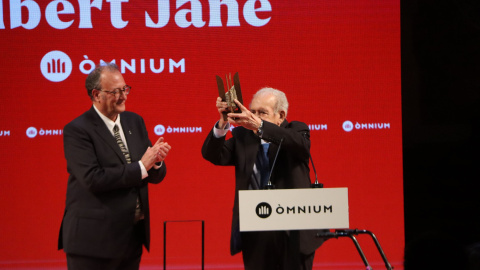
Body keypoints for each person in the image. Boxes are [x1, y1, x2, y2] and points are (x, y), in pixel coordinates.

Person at [58, 63, 171, 270]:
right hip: (92, 242)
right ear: (96, 95)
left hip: (130, 237)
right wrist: (141, 166)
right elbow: (93, 179)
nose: (123, 96)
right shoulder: (77, 130)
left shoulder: (134, 121)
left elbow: (150, 175)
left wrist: (155, 162)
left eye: (125, 89)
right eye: (116, 92)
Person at [202, 87, 324, 270]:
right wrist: (222, 122)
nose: (255, 117)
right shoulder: (243, 137)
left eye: (262, 113)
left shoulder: (296, 130)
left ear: (280, 115)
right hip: (256, 230)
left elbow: (300, 146)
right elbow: (213, 154)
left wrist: (260, 127)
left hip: (292, 232)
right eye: (253, 112)